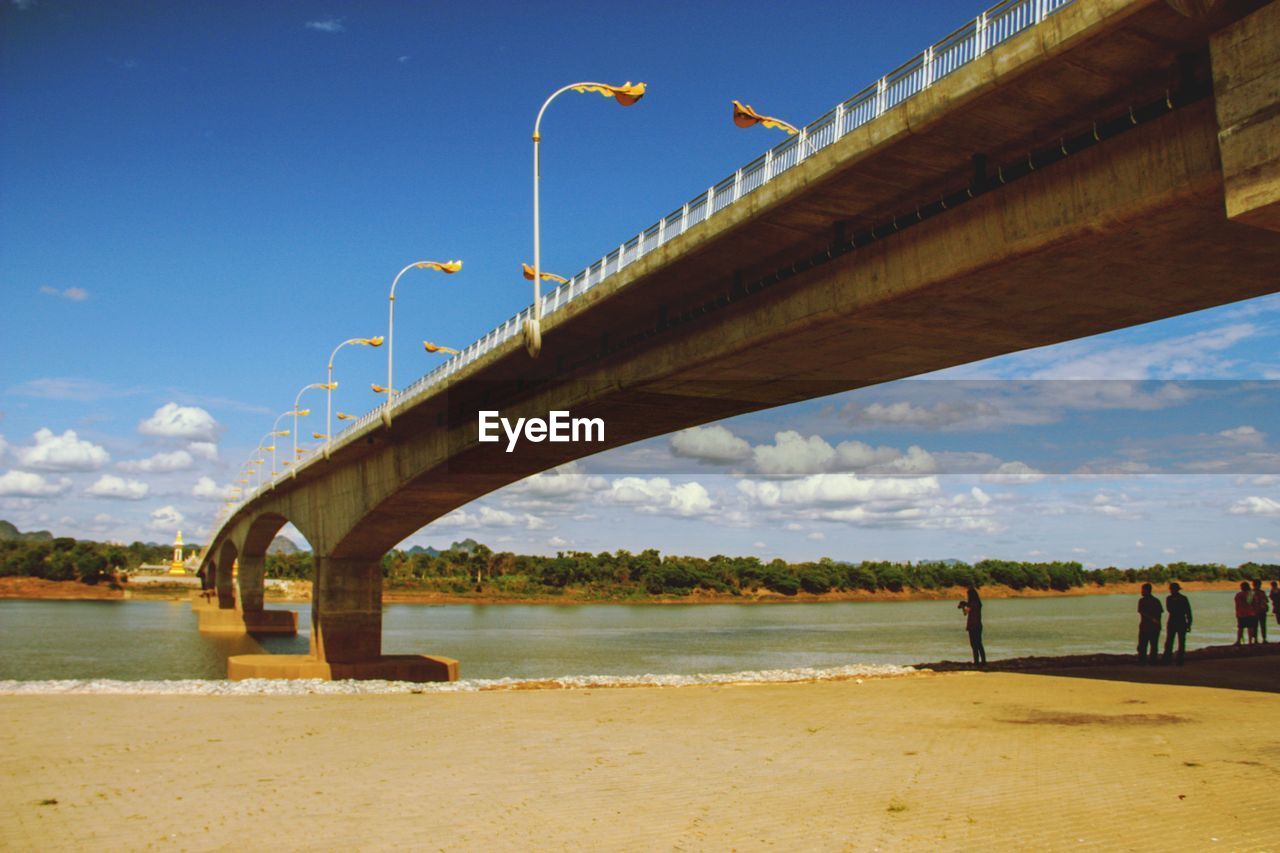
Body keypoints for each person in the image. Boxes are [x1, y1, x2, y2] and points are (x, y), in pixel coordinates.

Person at [1162, 582, 1192, 666]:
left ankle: (1170, 659)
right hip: (1180, 621)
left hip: (1174, 621)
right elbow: (1188, 612)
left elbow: (1170, 609)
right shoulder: (1182, 598)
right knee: (1177, 642)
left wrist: (1189, 623)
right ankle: (1176, 660)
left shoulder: (1170, 598)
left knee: (1172, 641)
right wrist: (1189, 623)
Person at [958, 584, 986, 665]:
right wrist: (964, 606)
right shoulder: (977, 604)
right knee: (978, 644)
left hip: (973, 626)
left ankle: (977, 662)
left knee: (974, 645)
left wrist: (964, 605)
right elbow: (965, 613)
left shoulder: (973, 604)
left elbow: (966, 612)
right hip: (977, 625)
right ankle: (982, 661)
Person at [1137, 583, 1163, 664]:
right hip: (1154, 626)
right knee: (1153, 645)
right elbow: (1160, 613)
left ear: (1146, 590)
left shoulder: (1142, 601)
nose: (1141, 591)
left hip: (1145, 626)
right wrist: (1155, 620)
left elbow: (1141, 612)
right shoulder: (1156, 600)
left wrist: (1152, 619)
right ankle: (1153, 660)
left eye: (1143, 590)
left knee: (1143, 645)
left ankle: (1142, 661)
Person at [1234, 581, 1257, 645]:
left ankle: (1238, 641)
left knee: (1240, 628)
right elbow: (1252, 603)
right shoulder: (1250, 594)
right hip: (1250, 612)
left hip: (1241, 613)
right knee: (1250, 627)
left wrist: (1237, 613)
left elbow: (1237, 605)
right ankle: (1250, 641)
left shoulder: (1238, 595)